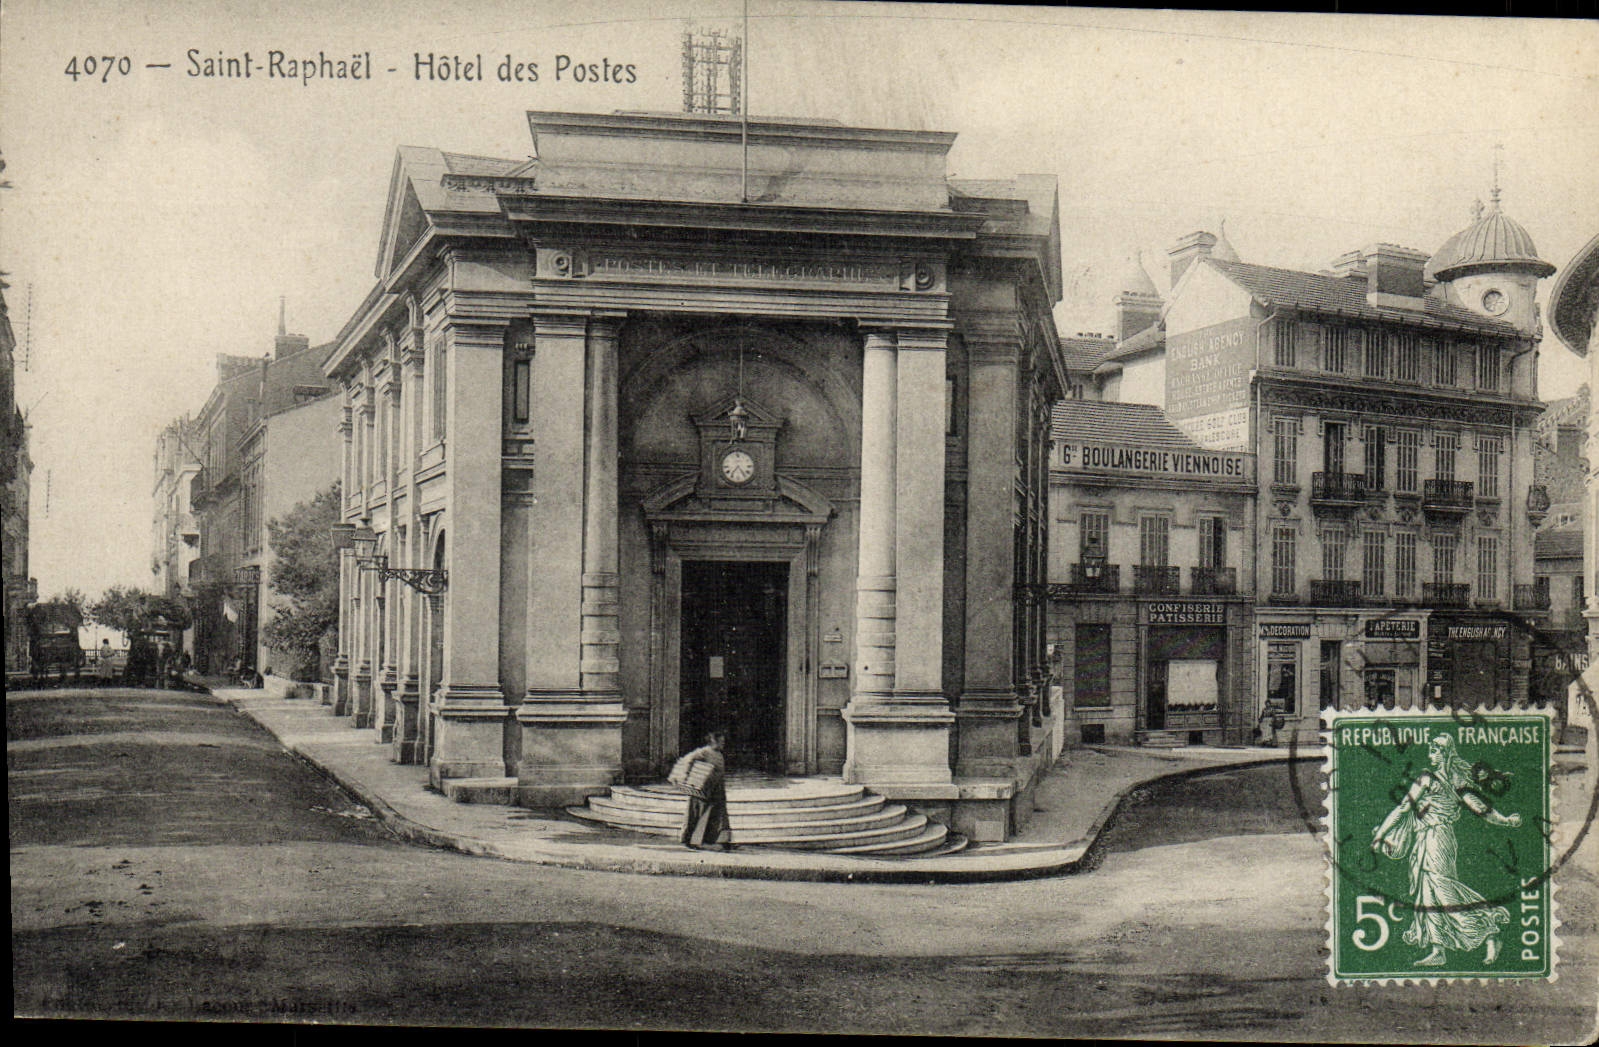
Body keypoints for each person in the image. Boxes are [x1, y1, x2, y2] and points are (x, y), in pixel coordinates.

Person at [1371, 733, 1520, 967]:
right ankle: (1438, 949)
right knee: (1427, 894)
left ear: (1446, 753)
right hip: (1424, 839)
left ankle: (1490, 931)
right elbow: (1404, 808)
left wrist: (1506, 821)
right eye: (1431, 750)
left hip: (1438, 839)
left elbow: (1480, 808)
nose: (1431, 755)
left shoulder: (1440, 780)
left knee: (1443, 891)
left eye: (1436, 750)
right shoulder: (1442, 779)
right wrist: (1506, 820)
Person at [677, 731, 732, 851]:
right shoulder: (704, 751)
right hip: (702, 788)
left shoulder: (719, 754)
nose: (723, 744)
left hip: (717, 789)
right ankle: (688, 839)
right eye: (721, 742)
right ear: (713, 741)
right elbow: (688, 759)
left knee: (719, 815)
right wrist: (688, 776)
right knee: (695, 814)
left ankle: (722, 840)